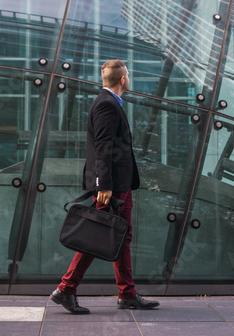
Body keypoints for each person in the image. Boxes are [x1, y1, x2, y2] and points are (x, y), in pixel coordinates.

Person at [50, 60, 160, 314]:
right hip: (112, 187)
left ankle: (127, 293)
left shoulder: (108, 103)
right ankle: (66, 288)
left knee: (118, 236)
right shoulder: (107, 105)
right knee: (97, 236)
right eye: (128, 75)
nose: (129, 79)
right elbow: (103, 147)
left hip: (117, 185)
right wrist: (105, 185)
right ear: (123, 79)